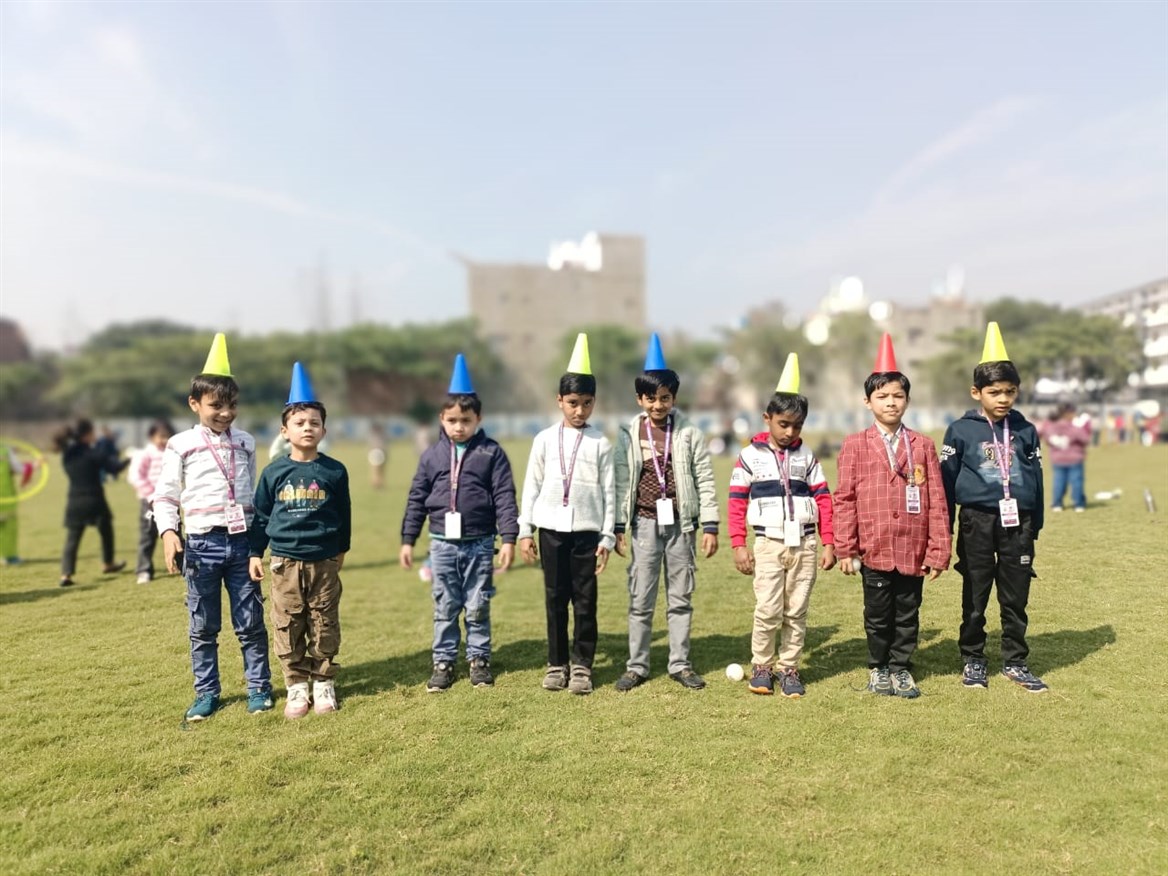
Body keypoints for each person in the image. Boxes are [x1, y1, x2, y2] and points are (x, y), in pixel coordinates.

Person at [152, 333, 274, 721]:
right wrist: (169, 533)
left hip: (242, 544)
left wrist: (256, 543)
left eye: (232, 405)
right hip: (201, 545)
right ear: (195, 403)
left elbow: (251, 492)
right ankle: (206, 693)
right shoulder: (180, 444)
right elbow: (165, 494)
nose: (225, 413)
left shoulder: (246, 442)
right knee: (203, 626)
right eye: (215, 405)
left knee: (250, 622)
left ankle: (259, 688)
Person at [833, 334, 951, 699]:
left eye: (897, 396)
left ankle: (901, 667)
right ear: (867, 402)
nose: (890, 402)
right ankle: (878, 666)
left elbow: (937, 500)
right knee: (878, 612)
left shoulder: (923, 445)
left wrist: (938, 550)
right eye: (882, 396)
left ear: (908, 401)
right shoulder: (855, 444)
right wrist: (846, 548)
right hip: (874, 545)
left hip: (912, 545)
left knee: (908, 611)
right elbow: (844, 498)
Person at [400, 354, 519, 692]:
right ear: (441, 418)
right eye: (452, 420)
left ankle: (479, 660)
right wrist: (408, 539)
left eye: (466, 420)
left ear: (478, 418)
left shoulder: (491, 453)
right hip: (441, 545)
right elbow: (417, 498)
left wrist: (509, 538)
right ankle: (444, 662)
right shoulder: (431, 456)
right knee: (446, 605)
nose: (459, 427)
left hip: (480, 543)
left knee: (478, 604)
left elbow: (505, 496)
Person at [940, 322, 1047, 693]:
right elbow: (945, 481)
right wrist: (946, 527)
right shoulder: (960, 430)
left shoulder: (1026, 430)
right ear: (977, 392)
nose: (1003, 399)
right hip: (977, 521)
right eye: (995, 392)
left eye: (1010, 391)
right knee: (976, 591)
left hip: (1019, 522)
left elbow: (1037, 477)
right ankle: (973, 657)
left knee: (1016, 594)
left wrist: (1036, 524)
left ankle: (1016, 660)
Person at [612, 333, 719, 691]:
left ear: (674, 397)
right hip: (644, 524)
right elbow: (621, 481)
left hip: (681, 527)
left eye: (665, 398)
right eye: (651, 398)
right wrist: (617, 527)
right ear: (639, 399)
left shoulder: (688, 433)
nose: (658, 405)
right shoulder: (628, 434)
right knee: (641, 598)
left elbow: (705, 478)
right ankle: (636, 666)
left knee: (680, 597)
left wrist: (710, 525)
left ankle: (680, 664)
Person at [728, 353, 835, 698]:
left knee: (796, 610)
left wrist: (829, 541)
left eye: (797, 426)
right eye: (783, 424)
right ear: (767, 419)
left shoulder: (808, 457)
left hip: (805, 544)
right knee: (768, 609)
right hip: (768, 544)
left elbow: (824, 499)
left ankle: (789, 668)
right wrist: (738, 544)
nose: (790, 432)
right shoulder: (749, 456)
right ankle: (762, 666)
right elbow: (736, 502)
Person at [250, 363, 351, 718]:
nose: (307, 428)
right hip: (285, 562)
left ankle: (323, 681)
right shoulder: (274, 472)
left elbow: (344, 515)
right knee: (288, 622)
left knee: (324, 620)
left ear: (324, 429)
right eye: (299, 422)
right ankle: (295, 685)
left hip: (324, 560)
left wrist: (341, 550)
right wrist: (254, 553)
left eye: (314, 423)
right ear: (285, 430)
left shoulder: (334, 471)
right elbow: (261, 516)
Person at [518, 334, 615, 695]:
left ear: (594, 403)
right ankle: (557, 663)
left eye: (587, 403)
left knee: (585, 601)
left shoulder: (600, 443)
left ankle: (582, 665)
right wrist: (525, 530)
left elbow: (610, 493)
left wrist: (607, 536)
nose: (579, 411)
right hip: (551, 532)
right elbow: (531, 485)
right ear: (559, 400)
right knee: (555, 599)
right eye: (573, 403)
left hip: (587, 533)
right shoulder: (544, 439)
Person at [53, 419, 128, 587]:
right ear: (86, 435)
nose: (95, 435)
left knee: (72, 539)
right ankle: (108, 563)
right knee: (106, 529)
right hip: (94, 499)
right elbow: (115, 468)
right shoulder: (93, 453)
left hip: (74, 500)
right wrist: (130, 458)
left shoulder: (68, 454)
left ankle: (66, 574)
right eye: (93, 432)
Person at [127, 419, 174, 584]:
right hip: (150, 503)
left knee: (175, 533)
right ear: (152, 437)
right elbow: (135, 476)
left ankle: (182, 566)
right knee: (148, 535)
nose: (164, 440)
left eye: (167, 436)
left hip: (170, 501)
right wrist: (151, 495)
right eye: (161, 436)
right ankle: (144, 570)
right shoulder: (145, 454)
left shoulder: (172, 453)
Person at [1040, 403, 1090, 513]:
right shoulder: (1074, 427)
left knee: (1058, 482)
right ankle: (1078, 504)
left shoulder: (1051, 427)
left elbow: (1046, 439)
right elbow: (1085, 439)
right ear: (1068, 414)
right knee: (1076, 482)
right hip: (1074, 458)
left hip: (1057, 459)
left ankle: (1057, 504)